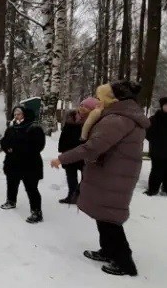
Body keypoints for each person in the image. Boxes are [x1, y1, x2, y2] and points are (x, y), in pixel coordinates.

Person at [51, 81, 149, 277]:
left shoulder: (117, 119)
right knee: (104, 215)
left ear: (111, 99)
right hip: (111, 173)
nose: (96, 101)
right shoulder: (118, 116)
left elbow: (92, 147)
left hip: (113, 175)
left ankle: (124, 262)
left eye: (99, 97)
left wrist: (62, 158)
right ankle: (108, 251)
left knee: (110, 218)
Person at [0, 106, 46, 224]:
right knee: (11, 183)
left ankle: (36, 212)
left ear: (25, 114)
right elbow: (4, 141)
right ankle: (11, 201)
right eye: (15, 114)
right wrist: (6, 148)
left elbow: (39, 145)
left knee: (31, 188)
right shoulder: (11, 128)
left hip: (29, 163)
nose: (16, 116)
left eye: (19, 114)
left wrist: (17, 149)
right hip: (13, 162)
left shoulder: (34, 128)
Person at [57, 97, 100, 204]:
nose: (82, 108)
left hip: (84, 154)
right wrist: (62, 149)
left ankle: (82, 195)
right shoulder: (71, 118)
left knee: (86, 177)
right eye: (81, 105)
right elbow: (64, 135)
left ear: (92, 109)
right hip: (69, 152)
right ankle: (72, 196)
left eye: (86, 107)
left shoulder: (94, 122)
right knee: (71, 176)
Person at [145, 97, 167, 196]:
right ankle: (153, 189)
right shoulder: (154, 119)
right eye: (166, 105)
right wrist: (156, 141)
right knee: (156, 170)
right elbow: (147, 133)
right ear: (162, 106)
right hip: (158, 150)